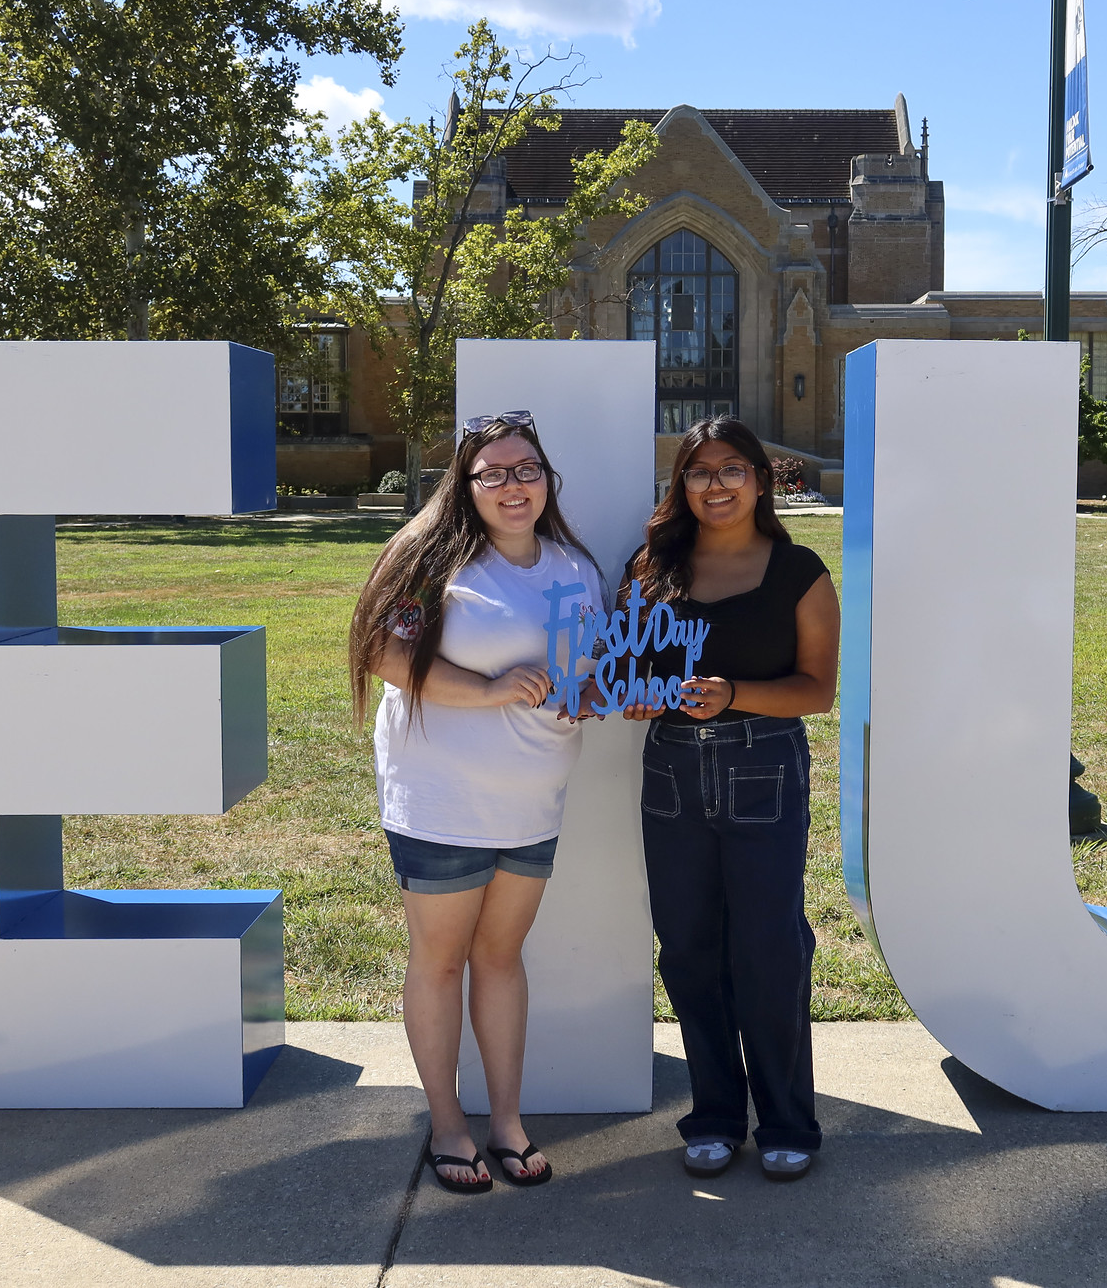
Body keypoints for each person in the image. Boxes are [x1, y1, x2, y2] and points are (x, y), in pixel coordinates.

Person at [348, 411, 605, 1194]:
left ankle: (507, 1121)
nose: (511, 485)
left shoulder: (575, 567)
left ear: (546, 477)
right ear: (465, 485)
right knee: (442, 959)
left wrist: (589, 691)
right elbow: (385, 654)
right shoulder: (435, 562)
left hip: (533, 801)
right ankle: (449, 1124)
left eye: (524, 468)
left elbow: (589, 662)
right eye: (490, 473)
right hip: (442, 802)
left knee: (500, 957)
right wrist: (488, 689)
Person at [621, 415, 840, 1182]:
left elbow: (818, 690)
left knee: (770, 948)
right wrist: (639, 697)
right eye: (698, 471)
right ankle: (714, 1115)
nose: (715, 484)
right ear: (679, 485)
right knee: (687, 947)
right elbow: (627, 672)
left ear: (761, 477)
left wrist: (735, 692)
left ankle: (788, 1121)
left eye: (731, 469)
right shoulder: (651, 567)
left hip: (762, 769)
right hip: (672, 773)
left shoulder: (799, 571)